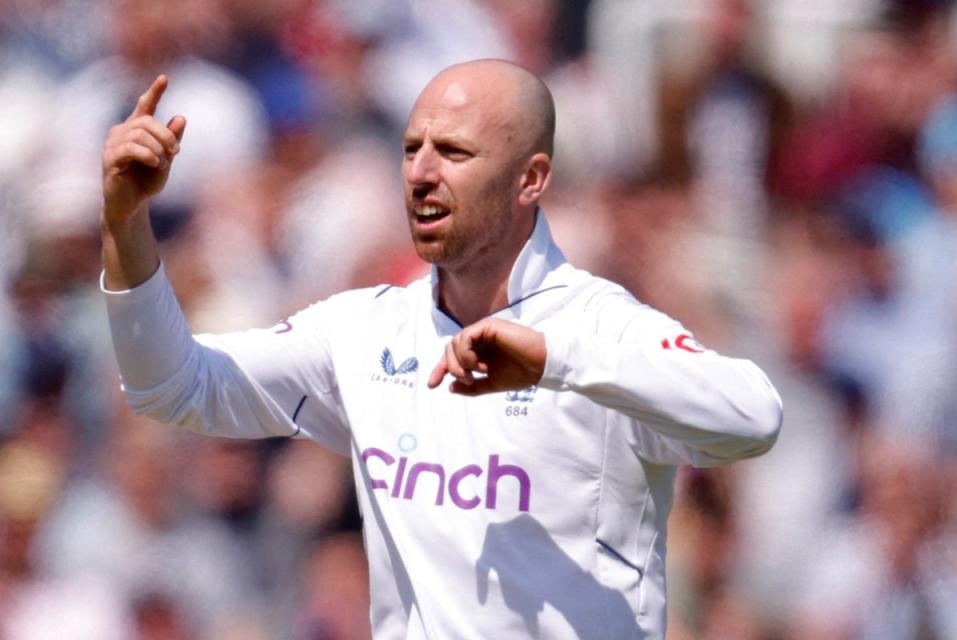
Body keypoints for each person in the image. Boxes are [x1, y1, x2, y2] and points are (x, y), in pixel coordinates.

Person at [100, 59, 783, 639]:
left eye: (453, 152)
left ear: (530, 178)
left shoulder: (599, 326)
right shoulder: (367, 331)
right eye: (410, 149)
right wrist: (127, 227)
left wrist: (556, 362)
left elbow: (754, 418)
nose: (421, 173)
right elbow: (173, 387)